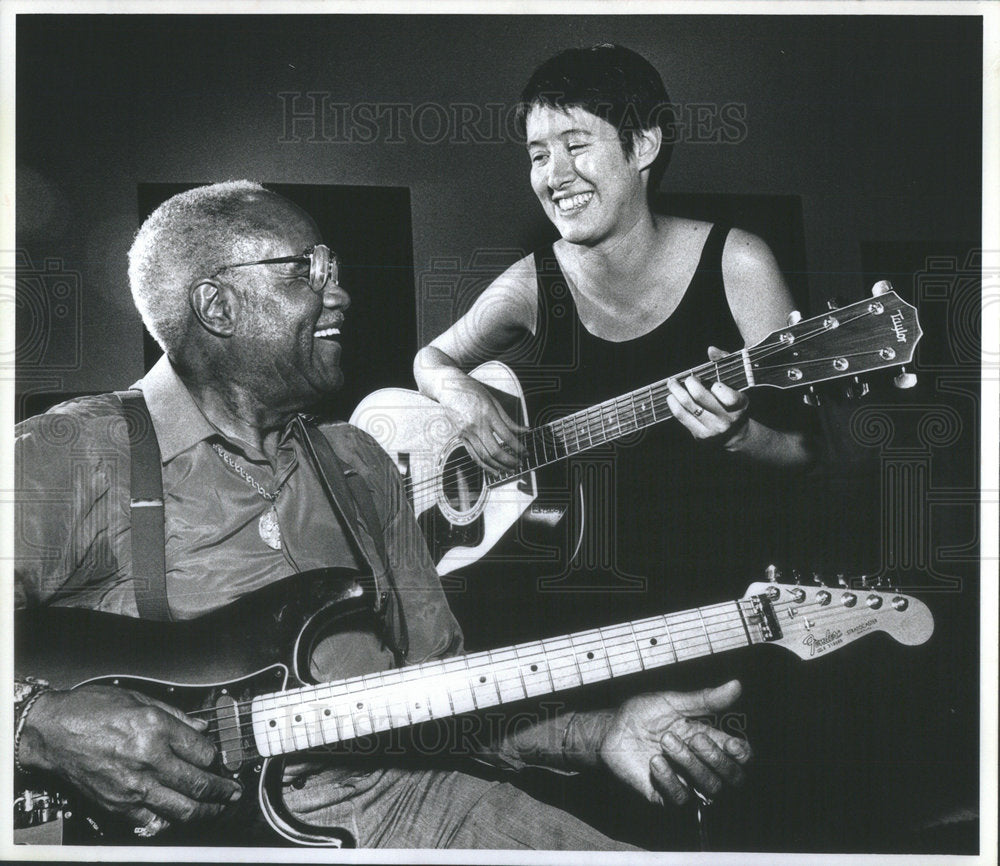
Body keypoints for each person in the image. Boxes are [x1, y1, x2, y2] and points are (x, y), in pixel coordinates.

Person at [14, 181, 752, 850]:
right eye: (308, 272)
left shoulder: (359, 463)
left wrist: (600, 732)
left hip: (401, 800)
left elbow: (442, 691)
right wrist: (34, 725)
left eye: (334, 269)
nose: (340, 295)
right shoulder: (75, 452)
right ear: (217, 306)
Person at [414, 43, 815, 615]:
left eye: (577, 145)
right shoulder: (531, 283)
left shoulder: (739, 264)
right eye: (537, 155)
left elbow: (812, 454)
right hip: (572, 600)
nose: (555, 176)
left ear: (643, 145)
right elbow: (429, 360)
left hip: (723, 597)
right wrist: (464, 399)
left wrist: (741, 437)